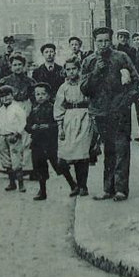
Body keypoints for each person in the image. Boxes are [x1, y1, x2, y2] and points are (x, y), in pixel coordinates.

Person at [81, 27, 139, 201]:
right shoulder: (89, 61)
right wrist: (96, 72)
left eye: (106, 40)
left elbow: (135, 81)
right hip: (100, 112)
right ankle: (108, 188)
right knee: (108, 150)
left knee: (122, 148)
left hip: (120, 112)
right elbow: (84, 89)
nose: (103, 44)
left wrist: (126, 101)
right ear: (95, 42)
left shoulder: (121, 57)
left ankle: (121, 189)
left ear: (111, 40)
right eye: (100, 41)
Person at [25, 83, 73, 200]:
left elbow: (57, 124)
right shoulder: (34, 110)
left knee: (58, 164)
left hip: (50, 142)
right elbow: (27, 125)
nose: (40, 96)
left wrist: (48, 126)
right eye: (37, 94)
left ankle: (73, 185)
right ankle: (42, 191)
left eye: (43, 94)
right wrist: (33, 128)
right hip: (37, 143)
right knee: (40, 167)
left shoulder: (53, 109)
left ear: (48, 95)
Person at [54, 60, 94, 197]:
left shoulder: (85, 84)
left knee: (82, 154)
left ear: (79, 69)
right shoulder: (63, 87)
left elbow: (92, 100)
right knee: (62, 157)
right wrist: (60, 127)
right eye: (68, 69)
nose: (71, 72)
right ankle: (73, 184)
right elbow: (59, 107)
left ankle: (83, 186)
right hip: (69, 120)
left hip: (84, 118)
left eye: (74, 68)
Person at [0, 85, 29, 192]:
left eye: (8, 95)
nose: (6, 98)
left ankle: (21, 184)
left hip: (13, 136)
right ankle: (12, 182)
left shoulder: (17, 108)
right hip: (2, 137)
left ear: (12, 95)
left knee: (16, 160)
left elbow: (23, 122)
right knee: (6, 160)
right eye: (2, 97)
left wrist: (17, 133)